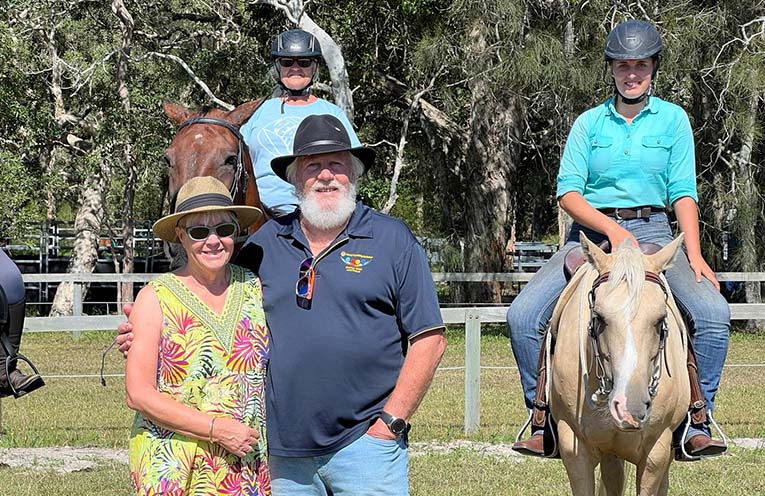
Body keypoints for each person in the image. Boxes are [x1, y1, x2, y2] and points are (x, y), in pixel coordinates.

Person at [119, 114, 446, 495]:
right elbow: (207, 293)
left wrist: (390, 423)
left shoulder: (392, 240)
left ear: (354, 173)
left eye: (336, 164)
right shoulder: (266, 243)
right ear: (295, 179)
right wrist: (146, 334)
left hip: (365, 445)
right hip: (281, 456)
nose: (325, 175)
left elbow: (430, 339)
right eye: (312, 166)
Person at [507, 20, 729, 459]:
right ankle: (543, 418)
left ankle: (696, 419)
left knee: (712, 313)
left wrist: (695, 252)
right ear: (611, 68)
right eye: (623, 65)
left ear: (653, 68)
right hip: (590, 235)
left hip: (654, 232)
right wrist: (612, 231)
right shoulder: (589, 124)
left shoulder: (673, 120)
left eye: (641, 65)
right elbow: (568, 193)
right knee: (523, 315)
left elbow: (683, 192)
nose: (632, 73)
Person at [124, 176, 271, 495]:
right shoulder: (155, 297)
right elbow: (138, 393)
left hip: (243, 465)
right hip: (174, 466)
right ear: (181, 236)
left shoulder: (254, 287)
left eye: (224, 229)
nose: (213, 240)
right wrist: (216, 429)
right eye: (199, 232)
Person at [239, 28, 360, 218]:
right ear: (278, 66)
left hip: (315, 207)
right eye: (287, 62)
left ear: (314, 67)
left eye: (304, 62)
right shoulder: (257, 112)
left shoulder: (332, 113)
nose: (295, 68)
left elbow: (353, 166)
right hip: (260, 210)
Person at [0, 248, 44, 398]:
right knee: (5, 365)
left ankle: (7, 375)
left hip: (9, 291)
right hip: (14, 289)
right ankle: (9, 375)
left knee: (4, 365)